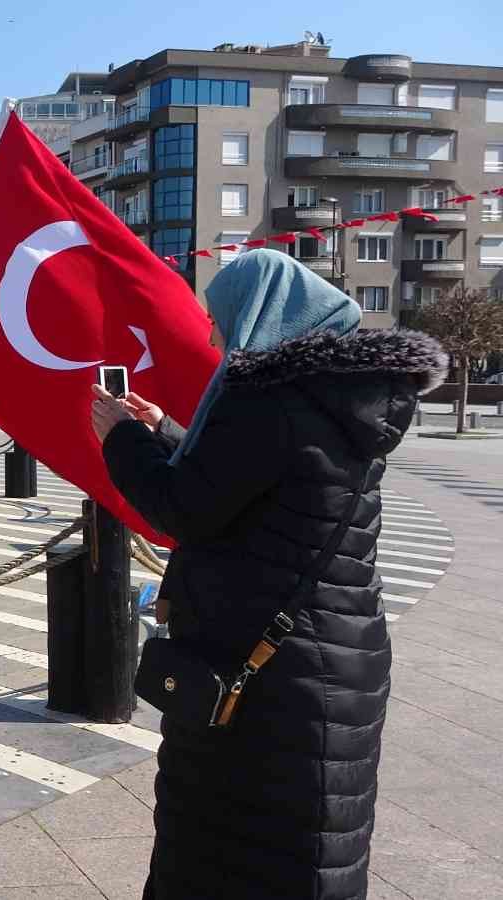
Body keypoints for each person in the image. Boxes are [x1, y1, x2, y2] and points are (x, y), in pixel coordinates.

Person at [89, 250, 447, 900]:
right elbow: (256, 490)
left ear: (259, 314)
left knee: (226, 863)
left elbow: (185, 507)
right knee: (307, 859)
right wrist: (167, 431)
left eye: (220, 319)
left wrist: (120, 438)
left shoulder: (265, 400)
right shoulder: (336, 401)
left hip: (264, 686)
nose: (211, 335)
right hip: (330, 668)